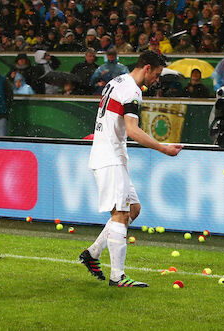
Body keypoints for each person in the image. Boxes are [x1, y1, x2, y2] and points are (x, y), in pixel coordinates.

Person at [79, 51, 182, 288]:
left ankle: (93, 254)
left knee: (133, 209)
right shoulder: (132, 90)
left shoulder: (117, 81)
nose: (156, 80)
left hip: (109, 154)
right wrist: (163, 148)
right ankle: (118, 276)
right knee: (121, 213)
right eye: (156, 75)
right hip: (110, 157)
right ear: (147, 68)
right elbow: (133, 130)